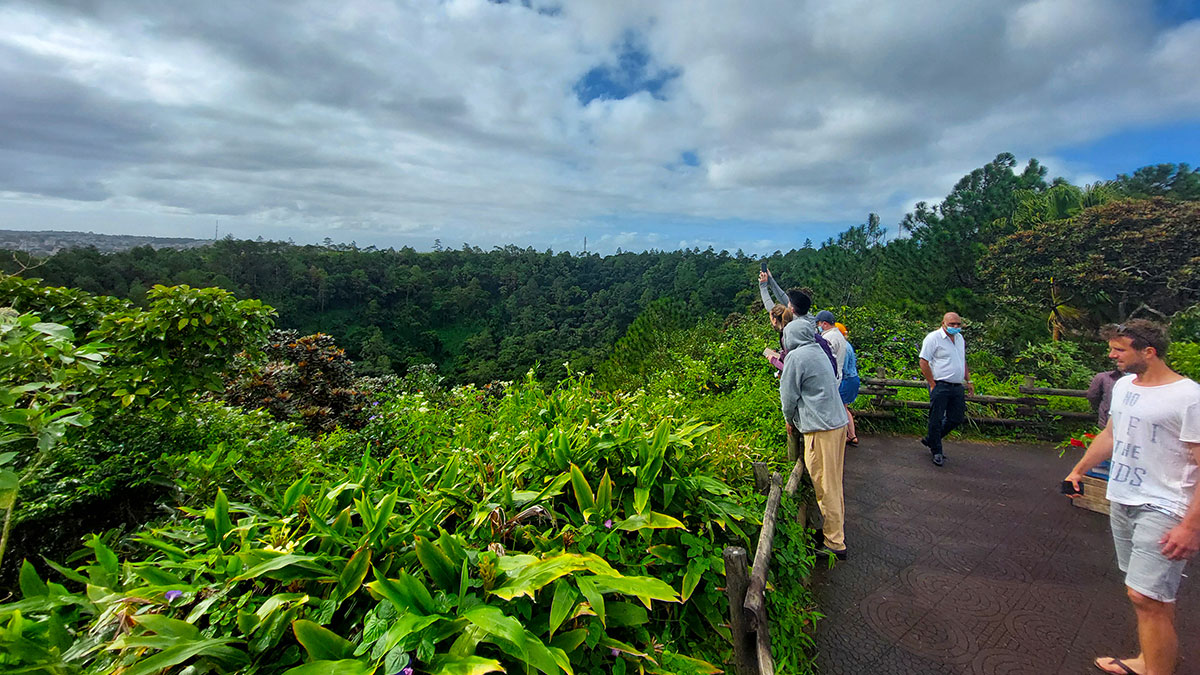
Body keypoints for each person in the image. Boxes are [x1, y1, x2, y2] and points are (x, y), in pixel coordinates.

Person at [1064, 320, 1200, 675]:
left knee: (1144, 597)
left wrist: (1191, 526)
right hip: (1123, 498)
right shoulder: (1124, 387)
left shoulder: (1189, 397)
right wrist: (1078, 469)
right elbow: (1111, 434)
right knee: (1153, 596)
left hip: (1165, 505)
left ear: (1148, 352)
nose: (1111, 355)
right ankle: (1152, 661)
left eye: (1119, 349)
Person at [780, 288, 850, 560]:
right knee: (833, 481)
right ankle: (835, 530)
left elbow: (788, 398)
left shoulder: (796, 357)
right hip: (836, 423)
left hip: (821, 428)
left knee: (825, 484)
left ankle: (835, 543)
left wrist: (789, 420)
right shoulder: (819, 351)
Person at [918, 312, 974, 467]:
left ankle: (931, 439)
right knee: (936, 417)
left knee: (956, 417)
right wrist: (932, 383)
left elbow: (962, 361)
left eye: (958, 324)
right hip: (940, 384)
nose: (955, 327)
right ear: (943, 323)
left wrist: (969, 380)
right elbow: (923, 361)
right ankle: (937, 451)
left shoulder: (960, 339)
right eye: (952, 324)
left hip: (957, 385)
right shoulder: (933, 338)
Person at [815, 311, 860, 446]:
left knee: (839, 410)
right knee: (843, 409)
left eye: (818, 324)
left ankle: (841, 438)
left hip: (843, 379)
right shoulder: (841, 340)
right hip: (848, 378)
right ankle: (850, 435)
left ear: (825, 324)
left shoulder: (831, 338)